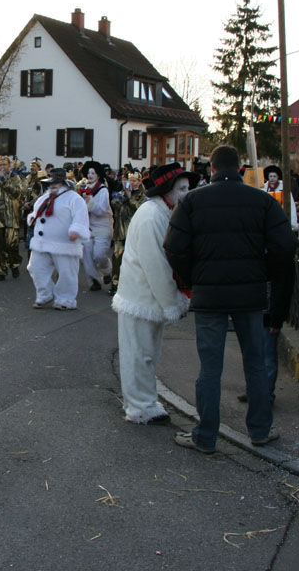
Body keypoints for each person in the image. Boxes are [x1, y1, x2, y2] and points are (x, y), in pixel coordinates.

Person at [163, 145, 295, 453]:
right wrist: (264, 273)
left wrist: (193, 277)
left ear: (211, 168)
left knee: (210, 368)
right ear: (240, 169)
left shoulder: (192, 201)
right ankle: (260, 429)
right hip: (250, 294)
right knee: (255, 364)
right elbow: (285, 245)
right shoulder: (262, 200)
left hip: (209, 295)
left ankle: (206, 435)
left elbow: (173, 246)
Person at [113, 162, 198, 424]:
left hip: (147, 298)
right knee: (138, 356)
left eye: (187, 188)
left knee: (147, 354)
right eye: (181, 188)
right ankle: (139, 406)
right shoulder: (152, 216)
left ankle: (146, 402)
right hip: (140, 297)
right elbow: (156, 267)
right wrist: (173, 303)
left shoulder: (164, 213)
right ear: (167, 191)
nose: (186, 193)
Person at [27, 168, 90, 310]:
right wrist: (32, 218)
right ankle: (45, 293)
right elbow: (36, 212)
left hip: (65, 244)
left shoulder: (74, 199)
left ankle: (66, 299)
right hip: (42, 243)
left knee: (67, 273)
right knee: (35, 267)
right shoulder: (44, 198)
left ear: (64, 183)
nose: (52, 186)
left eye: (56, 183)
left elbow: (81, 216)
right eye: (51, 183)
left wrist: (76, 229)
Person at [109, 171, 147, 297]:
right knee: (117, 256)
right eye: (129, 180)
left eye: (134, 181)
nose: (131, 183)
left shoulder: (143, 196)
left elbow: (139, 208)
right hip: (120, 230)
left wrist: (130, 197)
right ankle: (115, 284)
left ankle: (134, 284)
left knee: (134, 259)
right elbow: (114, 204)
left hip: (134, 231)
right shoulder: (122, 193)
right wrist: (121, 198)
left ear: (140, 182)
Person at [80, 160, 114, 291]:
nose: (90, 175)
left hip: (102, 226)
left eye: (93, 173)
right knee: (87, 256)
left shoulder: (103, 190)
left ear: (98, 175)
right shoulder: (84, 189)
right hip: (87, 227)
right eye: (88, 173)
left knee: (98, 255)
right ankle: (94, 280)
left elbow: (100, 211)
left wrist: (90, 202)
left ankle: (107, 271)